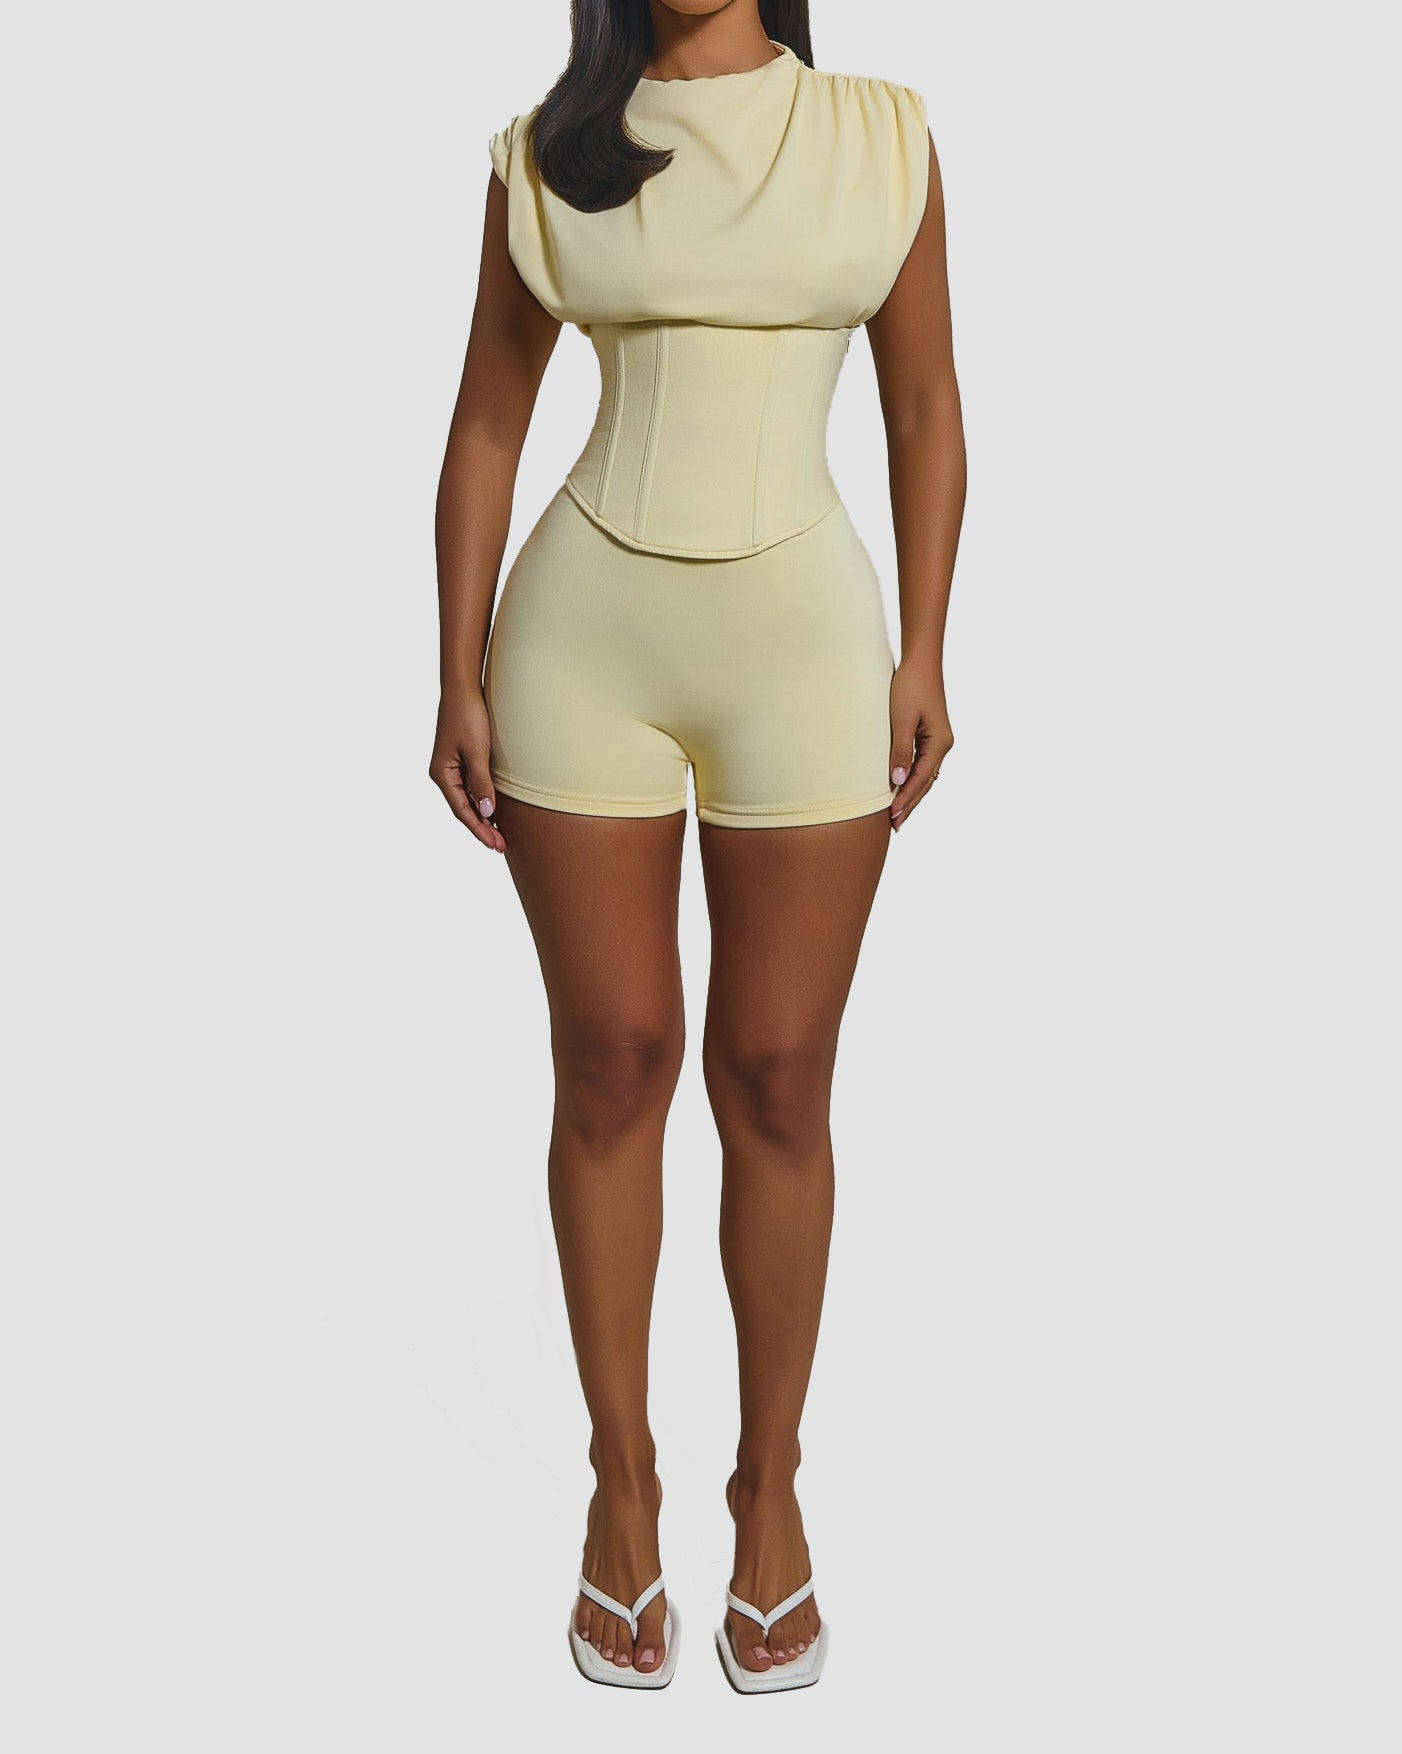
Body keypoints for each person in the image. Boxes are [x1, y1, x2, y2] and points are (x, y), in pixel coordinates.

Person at [431, 0, 964, 1694]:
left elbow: (925, 407)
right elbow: (488, 422)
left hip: (805, 644)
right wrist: (453, 668)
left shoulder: (879, 134)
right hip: (578, 642)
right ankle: (621, 1485)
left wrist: (926, 650)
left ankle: (769, 1487)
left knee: (780, 1074)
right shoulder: (550, 154)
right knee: (609, 1062)